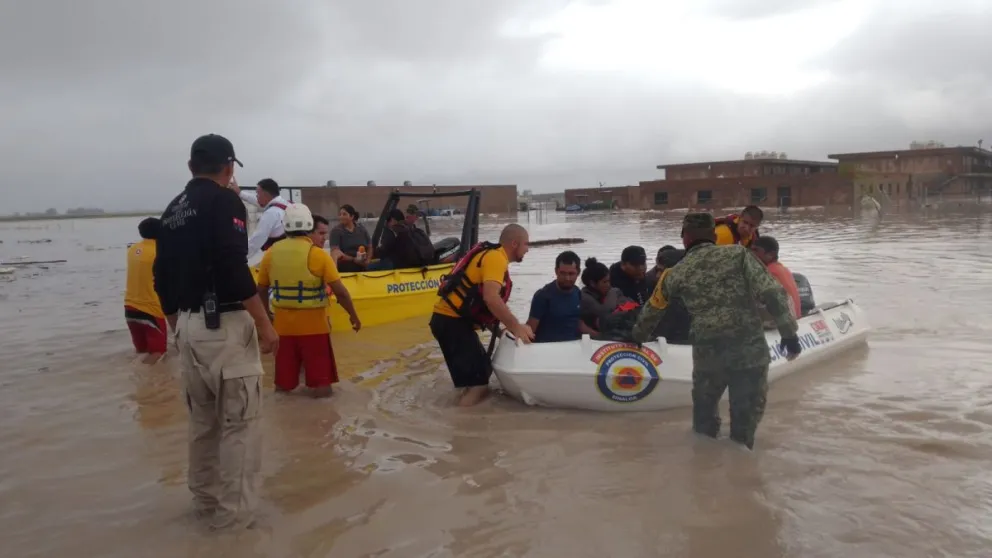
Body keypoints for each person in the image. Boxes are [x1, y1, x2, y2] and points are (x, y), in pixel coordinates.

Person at [153, 133, 279, 530]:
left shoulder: (174, 208)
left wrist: (177, 325)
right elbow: (232, 263)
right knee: (240, 425)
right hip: (224, 326)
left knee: (203, 424)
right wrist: (263, 322)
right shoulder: (224, 199)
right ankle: (234, 524)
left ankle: (204, 504)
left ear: (191, 167)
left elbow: (160, 275)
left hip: (188, 327)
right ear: (228, 168)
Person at [631, 212, 802, 450]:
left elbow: (652, 311)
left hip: (708, 356)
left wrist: (637, 338)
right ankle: (739, 470)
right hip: (748, 351)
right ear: (713, 235)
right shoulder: (739, 255)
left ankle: (703, 472)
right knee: (743, 427)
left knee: (704, 423)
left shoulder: (675, 273)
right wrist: (789, 334)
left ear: (684, 239)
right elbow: (772, 293)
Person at [256, 203, 361, 398]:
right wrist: (354, 316)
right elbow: (341, 293)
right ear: (308, 225)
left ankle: (285, 422)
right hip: (314, 329)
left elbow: (260, 290)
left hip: (282, 329)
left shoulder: (270, 253)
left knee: (283, 387)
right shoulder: (318, 255)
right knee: (322, 387)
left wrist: (267, 320)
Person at [430, 223, 534, 407]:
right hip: (452, 323)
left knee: (482, 373)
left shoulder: (492, 256)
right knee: (479, 386)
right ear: (515, 243)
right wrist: (517, 327)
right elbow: (491, 299)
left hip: (450, 322)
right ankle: (459, 427)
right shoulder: (496, 258)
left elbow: (480, 308)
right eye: (527, 244)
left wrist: (504, 333)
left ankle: (458, 410)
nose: (528, 249)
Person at [526, 251, 596, 343]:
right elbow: (530, 330)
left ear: (578, 272)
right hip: (548, 349)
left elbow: (578, 323)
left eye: (571, 274)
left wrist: (601, 336)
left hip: (574, 348)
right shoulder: (542, 296)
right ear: (556, 271)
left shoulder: (577, 292)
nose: (567, 278)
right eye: (563, 273)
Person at [125, 217, 166, 364]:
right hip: (151, 310)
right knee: (158, 353)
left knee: (141, 352)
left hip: (129, 308)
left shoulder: (132, 249)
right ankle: (148, 382)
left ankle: (138, 381)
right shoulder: (160, 252)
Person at [750, 235, 801, 321]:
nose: (751, 254)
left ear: (771, 254)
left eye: (756, 250)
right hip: (795, 318)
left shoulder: (767, 272)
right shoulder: (783, 269)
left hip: (784, 321)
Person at [237, 178, 288, 260]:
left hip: (279, 259)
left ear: (266, 195)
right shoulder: (285, 204)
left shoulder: (271, 213)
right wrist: (240, 193)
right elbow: (257, 201)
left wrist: (237, 257)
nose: (256, 196)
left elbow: (256, 241)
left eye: (258, 193)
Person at [579, 257, 632, 331]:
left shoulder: (609, 292)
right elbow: (603, 313)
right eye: (605, 282)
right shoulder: (584, 297)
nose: (608, 285)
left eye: (609, 281)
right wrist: (614, 293)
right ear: (592, 283)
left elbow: (629, 304)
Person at [329, 204, 372, 273]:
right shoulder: (336, 231)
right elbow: (335, 252)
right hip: (346, 264)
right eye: (340, 214)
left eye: (344, 214)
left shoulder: (362, 229)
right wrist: (354, 259)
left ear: (352, 216)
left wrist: (368, 260)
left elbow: (370, 246)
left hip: (362, 262)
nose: (341, 217)